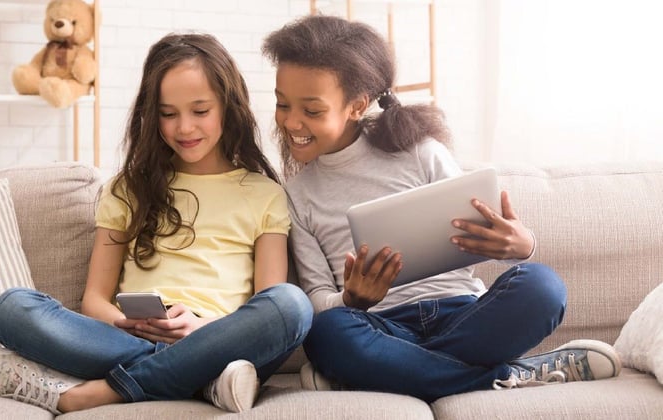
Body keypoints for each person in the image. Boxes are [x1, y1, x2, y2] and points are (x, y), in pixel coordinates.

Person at [261, 15, 620, 401]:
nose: (290, 121)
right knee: (328, 334)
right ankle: (511, 376)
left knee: (543, 287)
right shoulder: (297, 194)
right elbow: (317, 299)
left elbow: (479, 236)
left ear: (357, 105)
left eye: (311, 110)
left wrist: (520, 246)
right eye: (283, 103)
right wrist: (351, 300)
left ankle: (386, 374)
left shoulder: (420, 153)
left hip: (464, 311)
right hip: (380, 327)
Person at [0, 32, 313, 414]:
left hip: (217, 337)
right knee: (12, 308)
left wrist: (201, 329)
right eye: (169, 114)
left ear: (228, 107)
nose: (184, 128)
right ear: (152, 115)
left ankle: (107, 390)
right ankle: (201, 382)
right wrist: (127, 323)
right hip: (127, 339)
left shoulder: (264, 193)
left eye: (200, 111)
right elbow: (94, 300)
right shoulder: (128, 188)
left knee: (292, 306)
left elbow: (266, 301)